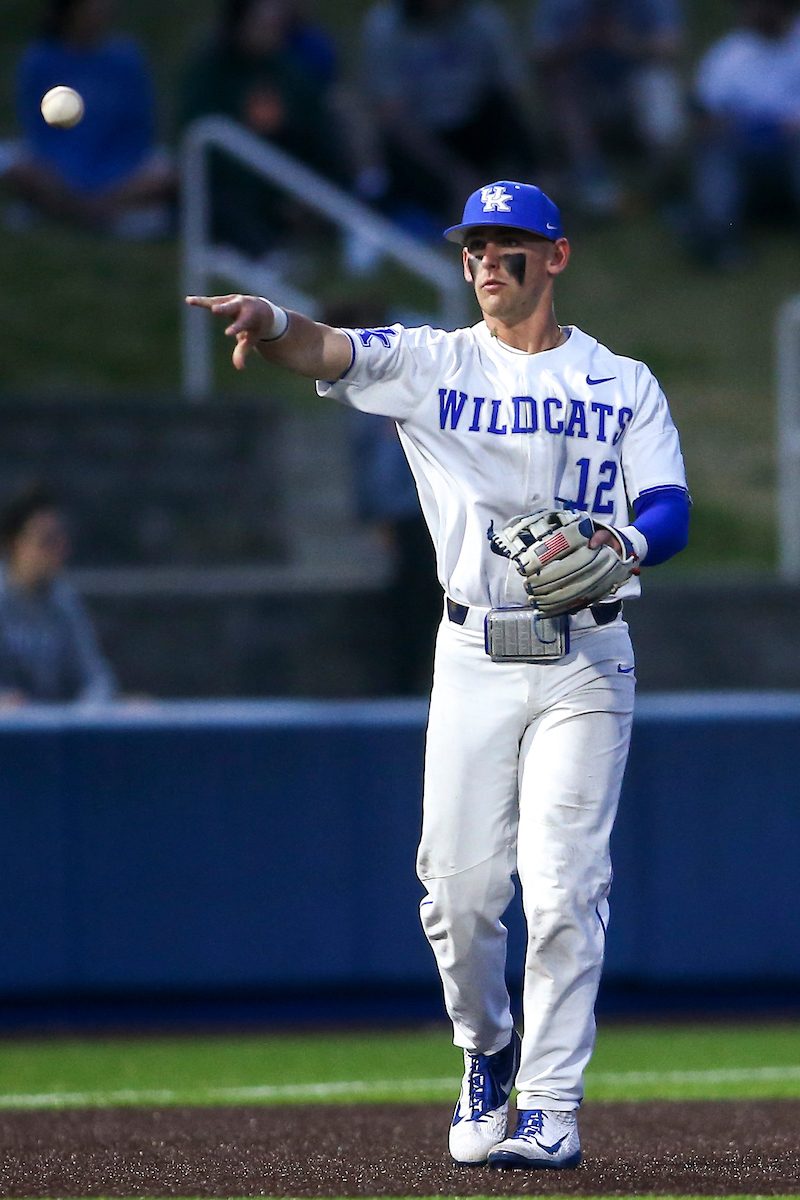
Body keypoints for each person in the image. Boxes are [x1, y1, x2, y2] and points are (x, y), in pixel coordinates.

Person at [187, 177, 690, 1168]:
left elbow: (667, 507)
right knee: (455, 897)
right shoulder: (433, 364)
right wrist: (271, 319)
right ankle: (486, 1045)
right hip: (473, 650)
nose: (487, 261)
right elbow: (327, 349)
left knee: (563, 885)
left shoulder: (620, 381)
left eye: (508, 244)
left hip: (586, 655)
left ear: (555, 256)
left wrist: (625, 544)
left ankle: (550, 1106)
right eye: (473, 248)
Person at [181, 0, 345, 258]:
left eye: (275, 25)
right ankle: (264, 252)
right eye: (261, 23)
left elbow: (319, 134)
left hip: (285, 183)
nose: (270, 31)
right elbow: (197, 136)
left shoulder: (290, 72)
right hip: (231, 184)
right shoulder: (210, 70)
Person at [361, 0, 539, 230]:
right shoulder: (387, 27)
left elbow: (512, 87)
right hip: (424, 139)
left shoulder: (481, 18)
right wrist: (455, 177)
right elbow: (392, 113)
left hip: (475, 123)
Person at [5, 0, 174, 237]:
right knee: (14, 165)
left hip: (120, 169)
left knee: (164, 171)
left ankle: (82, 210)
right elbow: (36, 129)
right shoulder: (41, 59)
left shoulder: (127, 59)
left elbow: (139, 126)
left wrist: (113, 177)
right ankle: (84, 210)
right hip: (57, 170)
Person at [531, 0, 686, 215]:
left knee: (658, 78)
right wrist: (582, 39)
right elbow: (541, 54)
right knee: (559, 85)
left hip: (632, 86)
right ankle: (593, 182)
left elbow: (671, 45)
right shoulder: (561, 5)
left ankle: (665, 176)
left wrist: (624, 41)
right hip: (585, 90)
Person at [690, 0, 800, 267]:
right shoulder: (729, 54)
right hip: (748, 156)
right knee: (717, 149)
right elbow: (704, 116)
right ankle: (718, 238)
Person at [0, 485, 116, 707]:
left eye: (60, 541)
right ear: (15, 542)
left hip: (55, 725)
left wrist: (91, 708)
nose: (58, 551)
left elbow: (95, 677)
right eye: (46, 541)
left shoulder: (64, 601)